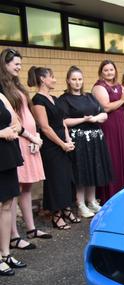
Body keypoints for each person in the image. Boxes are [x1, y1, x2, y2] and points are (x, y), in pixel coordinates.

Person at [0, 49, 50, 249]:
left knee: (27, 187)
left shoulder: (16, 84)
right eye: (16, 64)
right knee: (13, 191)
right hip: (14, 141)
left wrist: (34, 135)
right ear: (4, 64)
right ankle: (13, 235)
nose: (19, 67)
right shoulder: (2, 88)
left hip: (28, 138)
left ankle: (30, 227)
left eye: (20, 64)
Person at [58, 66, 112, 218]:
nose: (77, 82)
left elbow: (104, 114)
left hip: (94, 139)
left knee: (94, 169)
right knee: (81, 171)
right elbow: (64, 121)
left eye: (80, 79)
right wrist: (84, 119)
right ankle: (80, 203)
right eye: (74, 79)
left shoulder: (89, 96)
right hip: (78, 139)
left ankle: (92, 201)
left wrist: (95, 119)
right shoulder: (64, 99)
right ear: (68, 80)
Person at [29, 67, 79, 229]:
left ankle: (67, 209)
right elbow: (45, 128)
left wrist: (68, 139)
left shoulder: (54, 98)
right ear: (43, 79)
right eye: (52, 77)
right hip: (51, 146)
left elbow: (62, 122)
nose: (55, 80)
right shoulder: (37, 100)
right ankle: (56, 215)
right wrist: (61, 144)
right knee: (55, 180)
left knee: (66, 178)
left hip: (63, 143)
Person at [92, 60, 124, 203]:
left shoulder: (118, 86)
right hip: (109, 126)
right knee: (112, 156)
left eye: (112, 70)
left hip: (121, 124)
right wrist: (123, 99)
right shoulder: (99, 87)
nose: (109, 72)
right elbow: (106, 107)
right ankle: (110, 193)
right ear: (101, 72)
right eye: (106, 70)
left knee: (123, 155)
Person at [0, 89, 27, 275]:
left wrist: (14, 128)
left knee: (7, 203)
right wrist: (1, 133)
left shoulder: (0, 95)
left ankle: (5, 254)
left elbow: (16, 121)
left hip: (7, 155)